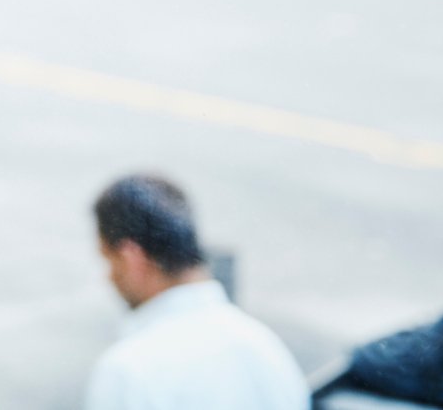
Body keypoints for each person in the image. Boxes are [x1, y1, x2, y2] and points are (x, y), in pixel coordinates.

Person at [86, 173, 308, 410]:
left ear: (132, 258)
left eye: (109, 261)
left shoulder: (128, 372)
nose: (108, 277)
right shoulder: (268, 350)